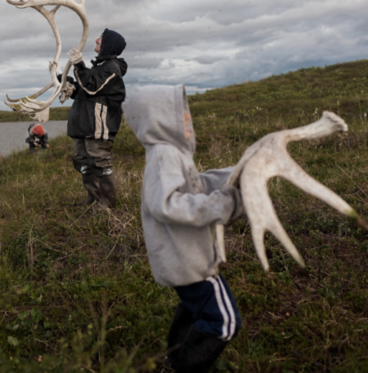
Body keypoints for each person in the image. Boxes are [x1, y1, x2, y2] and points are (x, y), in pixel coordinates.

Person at [123, 85, 244, 372]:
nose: (188, 120)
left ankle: (175, 359)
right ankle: (189, 366)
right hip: (190, 261)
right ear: (161, 120)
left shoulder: (171, 154)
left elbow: (196, 185)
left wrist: (236, 172)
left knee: (194, 309)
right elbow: (165, 203)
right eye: (181, 116)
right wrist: (220, 206)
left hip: (182, 262)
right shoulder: (164, 154)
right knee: (224, 322)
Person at [65, 28, 127, 208]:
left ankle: (107, 204)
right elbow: (86, 91)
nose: (96, 41)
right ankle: (93, 198)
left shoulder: (112, 69)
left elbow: (92, 87)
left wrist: (78, 65)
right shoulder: (99, 67)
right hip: (85, 124)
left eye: (100, 40)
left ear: (108, 45)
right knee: (83, 161)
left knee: (99, 162)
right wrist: (69, 87)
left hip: (99, 126)